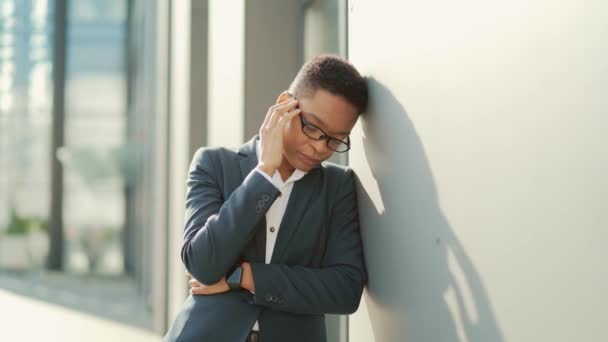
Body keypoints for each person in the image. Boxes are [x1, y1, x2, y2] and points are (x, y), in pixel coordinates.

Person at [164, 55, 368, 342]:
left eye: (335, 139)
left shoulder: (337, 187)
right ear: (286, 104)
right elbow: (203, 264)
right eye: (312, 127)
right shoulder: (213, 164)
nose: (320, 147)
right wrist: (264, 175)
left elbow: (344, 290)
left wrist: (244, 277)